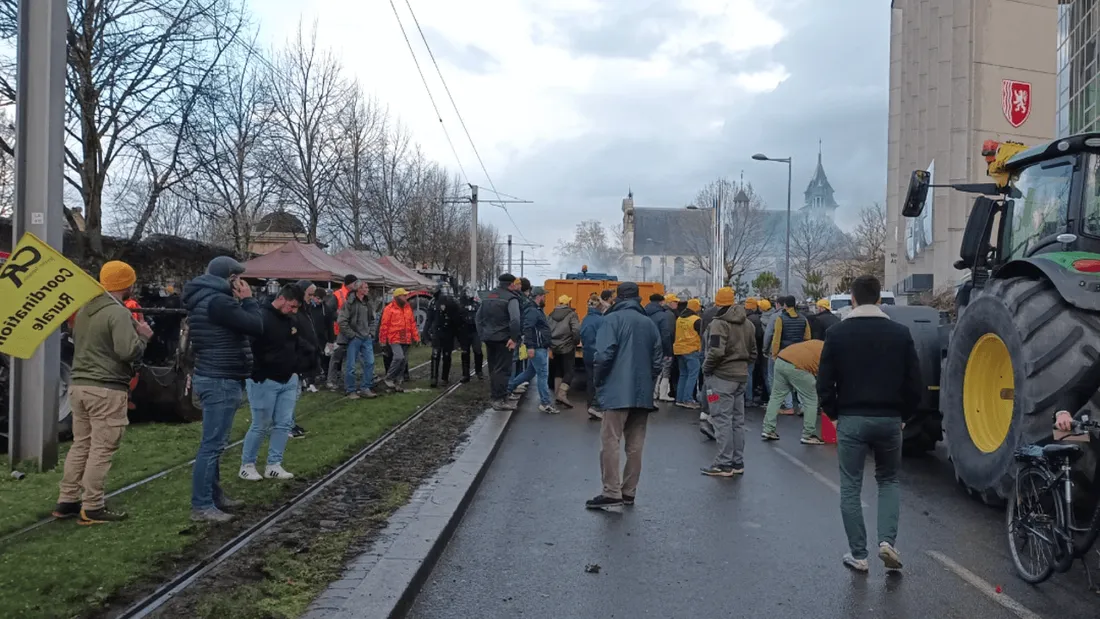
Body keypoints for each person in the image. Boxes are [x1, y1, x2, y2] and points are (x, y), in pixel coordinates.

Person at [817, 275, 921, 573]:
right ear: (879, 299)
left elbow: (825, 381)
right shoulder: (900, 333)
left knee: (850, 486)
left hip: (851, 418)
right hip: (890, 420)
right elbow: (915, 382)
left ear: (852, 298)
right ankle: (887, 542)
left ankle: (858, 554)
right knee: (888, 480)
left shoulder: (837, 333)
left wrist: (834, 414)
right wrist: (904, 416)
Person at [53, 261, 153, 524]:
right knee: (102, 448)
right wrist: (143, 336)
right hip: (106, 388)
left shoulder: (85, 310)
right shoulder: (118, 313)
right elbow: (127, 352)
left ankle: (67, 500)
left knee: (81, 444)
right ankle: (93, 506)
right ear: (126, 284)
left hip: (79, 386)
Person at [184, 256, 264, 523]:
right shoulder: (219, 301)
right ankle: (202, 504)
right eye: (238, 279)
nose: (241, 283)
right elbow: (256, 325)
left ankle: (214, 496)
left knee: (214, 444)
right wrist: (249, 300)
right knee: (212, 445)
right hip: (220, 378)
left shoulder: (204, 299)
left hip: (214, 374)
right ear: (230, 278)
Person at [586, 282, 664, 509]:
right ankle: (629, 491)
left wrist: (599, 381)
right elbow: (658, 360)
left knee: (610, 441)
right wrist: (647, 382)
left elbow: (603, 355)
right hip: (642, 394)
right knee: (635, 445)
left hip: (616, 391)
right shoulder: (649, 323)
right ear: (638, 298)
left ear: (617, 298)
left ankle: (611, 491)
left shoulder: (611, 320)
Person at [239, 284, 304, 482]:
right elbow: (248, 347)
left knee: (283, 423)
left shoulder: (290, 320)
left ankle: (274, 464)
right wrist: (256, 372)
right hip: (264, 379)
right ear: (282, 299)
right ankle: (247, 464)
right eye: (292, 306)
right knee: (260, 424)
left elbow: (296, 344)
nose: (293, 311)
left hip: (288, 378)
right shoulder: (261, 317)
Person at [700, 287, 757, 476]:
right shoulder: (748, 324)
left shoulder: (718, 324)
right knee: (737, 421)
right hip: (741, 377)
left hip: (721, 378)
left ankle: (723, 464)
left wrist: (707, 369)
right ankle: (737, 462)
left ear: (717, 302)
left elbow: (715, 351)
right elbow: (753, 352)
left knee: (721, 420)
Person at [760, 339, 825, 444]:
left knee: (776, 396)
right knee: (811, 399)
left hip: (781, 359)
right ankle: (808, 434)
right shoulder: (830, 353)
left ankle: (768, 429)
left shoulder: (818, 343)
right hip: (797, 367)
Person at [477, 274, 523, 412]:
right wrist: (514, 338)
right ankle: (499, 399)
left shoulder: (488, 297)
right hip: (504, 339)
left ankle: (496, 397)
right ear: (511, 284)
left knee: (493, 369)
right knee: (503, 370)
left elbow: (478, 318)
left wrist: (482, 334)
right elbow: (515, 320)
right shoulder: (511, 298)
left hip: (489, 338)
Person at [765, 295, 810, 415]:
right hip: (799, 354)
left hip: (785, 353)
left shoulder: (781, 319)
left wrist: (774, 354)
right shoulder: (803, 319)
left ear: (784, 305)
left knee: (784, 380)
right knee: (800, 380)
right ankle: (803, 406)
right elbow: (807, 338)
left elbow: (776, 339)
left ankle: (789, 406)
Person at [338, 279, 378, 399]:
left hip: (366, 338)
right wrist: (352, 335)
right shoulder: (349, 303)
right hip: (354, 338)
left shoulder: (368, 303)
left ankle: (365, 387)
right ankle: (351, 390)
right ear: (359, 289)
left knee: (370, 362)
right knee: (351, 366)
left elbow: (372, 319)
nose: (367, 290)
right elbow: (342, 321)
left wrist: (371, 332)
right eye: (365, 288)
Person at [379, 288, 419, 392]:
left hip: (406, 337)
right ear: (397, 297)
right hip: (394, 337)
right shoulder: (389, 309)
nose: (406, 297)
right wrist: (383, 340)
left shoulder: (407, 308)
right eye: (404, 295)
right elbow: (384, 325)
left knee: (403, 361)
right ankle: (389, 377)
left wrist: (416, 337)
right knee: (399, 357)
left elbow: (412, 324)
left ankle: (398, 382)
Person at [424, 286, 462, 387]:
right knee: (435, 354)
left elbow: (457, 320)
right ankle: (434, 378)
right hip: (437, 332)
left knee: (446, 355)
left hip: (449, 332)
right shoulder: (432, 302)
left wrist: (458, 336)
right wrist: (425, 333)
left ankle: (444, 377)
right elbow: (429, 319)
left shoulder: (453, 303)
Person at [547, 294, 581, 408]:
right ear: (568, 303)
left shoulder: (551, 315)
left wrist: (550, 345)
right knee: (569, 371)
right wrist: (575, 342)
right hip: (567, 346)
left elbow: (546, 330)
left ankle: (557, 395)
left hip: (554, 346)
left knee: (558, 370)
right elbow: (576, 330)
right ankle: (562, 394)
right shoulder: (571, 315)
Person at [326, 275, 358, 389]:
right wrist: (340, 317)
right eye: (355, 282)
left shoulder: (355, 295)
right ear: (349, 283)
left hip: (352, 330)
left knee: (353, 356)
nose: (356, 285)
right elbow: (329, 310)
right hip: (339, 331)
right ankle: (331, 380)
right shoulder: (337, 295)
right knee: (336, 357)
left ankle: (342, 378)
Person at [580, 294, 609, 420]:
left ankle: (590, 406)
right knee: (601, 381)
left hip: (587, 353)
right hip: (598, 354)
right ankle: (597, 407)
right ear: (599, 306)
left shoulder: (586, 319)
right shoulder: (601, 320)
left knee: (590, 380)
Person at [644, 293, 675, 403]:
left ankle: (652, 393)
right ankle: (663, 393)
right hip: (660, 347)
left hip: (646, 347)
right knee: (664, 371)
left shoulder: (643, 312)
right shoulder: (663, 315)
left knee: (650, 371)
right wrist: (668, 352)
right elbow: (666, 334)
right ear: (661, 302)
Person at [673, 298, 704, 409]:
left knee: (683, 374)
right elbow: (702, 335)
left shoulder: (680, 318)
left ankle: (680, 399)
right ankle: (688, 399)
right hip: (691, 350)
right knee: (692, 375)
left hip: (679, 349)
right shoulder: (696, 320)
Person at [458, 289, 484, 382]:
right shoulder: (460, 304)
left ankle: (479, 371)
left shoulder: (477, 304)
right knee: (465, 352)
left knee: (478, 351)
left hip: (475, 331)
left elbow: (481, 317)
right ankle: (465, 374)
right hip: (464, 331)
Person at [744, 297, 765, 406]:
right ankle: (749, 398)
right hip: (753, 351)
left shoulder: (744, 319)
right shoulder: (756, 320)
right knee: (749, 375)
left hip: (742, 351)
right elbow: (759, 337)